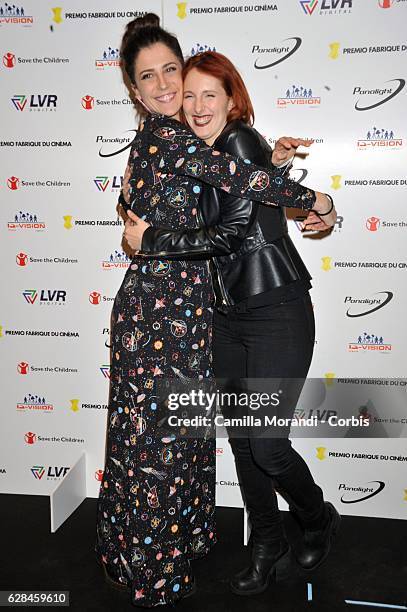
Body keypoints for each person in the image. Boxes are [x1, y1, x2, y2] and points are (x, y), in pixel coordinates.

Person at [96, 14, 334, 608]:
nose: (169, 88)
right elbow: (231, 195)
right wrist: (309, 195)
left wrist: (308, 193)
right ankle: (254, 546)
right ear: (133, 88)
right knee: (176, 447)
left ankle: (315, 517)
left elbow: (238, 199)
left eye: (172, 72)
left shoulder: (183, 142)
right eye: (149, 77)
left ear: (231, 100)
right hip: (177, 318)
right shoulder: (167, 140)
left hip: (247, 310)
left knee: (240, 444)